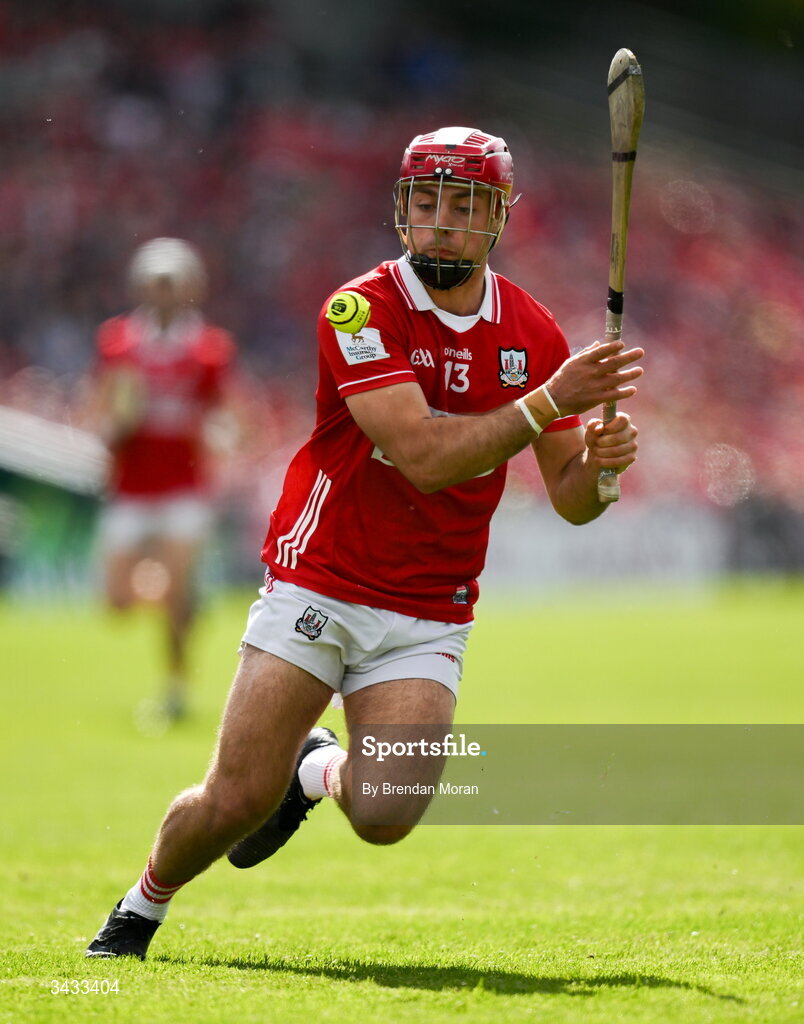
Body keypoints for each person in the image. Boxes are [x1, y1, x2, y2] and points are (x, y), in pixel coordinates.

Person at [86, 127, 643, 959]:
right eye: (427, 204)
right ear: (402, 211)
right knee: (234, 799)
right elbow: (421, 457)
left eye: (464, 206)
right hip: (321, 582)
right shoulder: (360, 308)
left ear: (496, 218)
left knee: (384, 817)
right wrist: (546, 402)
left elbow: (570, 500)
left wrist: (601, 470)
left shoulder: (533, 334)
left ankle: (313, 771)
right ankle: (139, 908)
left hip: (429, 609)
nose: (442, 223)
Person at [92, 238, 236, 722]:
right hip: (131, 483)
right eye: (157, 284)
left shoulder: (210, 348)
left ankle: (174, 686)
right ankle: (187, 595)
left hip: (184, 484)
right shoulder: (118, 341)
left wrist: (222, 435)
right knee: (116, 602)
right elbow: (105, 403)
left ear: (189, 287)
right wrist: (112, 428)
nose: (165, 293)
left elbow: (223, 412)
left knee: (174, 593)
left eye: (172, 284)